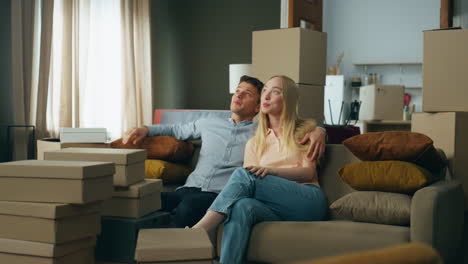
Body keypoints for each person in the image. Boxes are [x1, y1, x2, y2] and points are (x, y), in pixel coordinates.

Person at [123, 75, 326, 228]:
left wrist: (320, 131)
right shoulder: (208, 122)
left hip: (217, 195)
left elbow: (295, 126)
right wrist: (145, 129)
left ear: (258, 107)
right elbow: (175, 130)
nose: (238, 95)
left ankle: (181, 248)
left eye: (247, 94)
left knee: (188, 208)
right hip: (187, 188)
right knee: (146, 203)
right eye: (237, 91)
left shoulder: (261, 134)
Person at [193, 75, 328, 264]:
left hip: (308, 200)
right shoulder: (254, 143)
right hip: (275, 207)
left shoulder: (306, 132)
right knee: (242, 206)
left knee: (243, 174)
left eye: (275, 92)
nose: (266, 96)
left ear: (287, 99)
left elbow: (308, 173)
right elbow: (249, 189)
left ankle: (199, 230)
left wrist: (272, 171)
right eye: (264, 91)